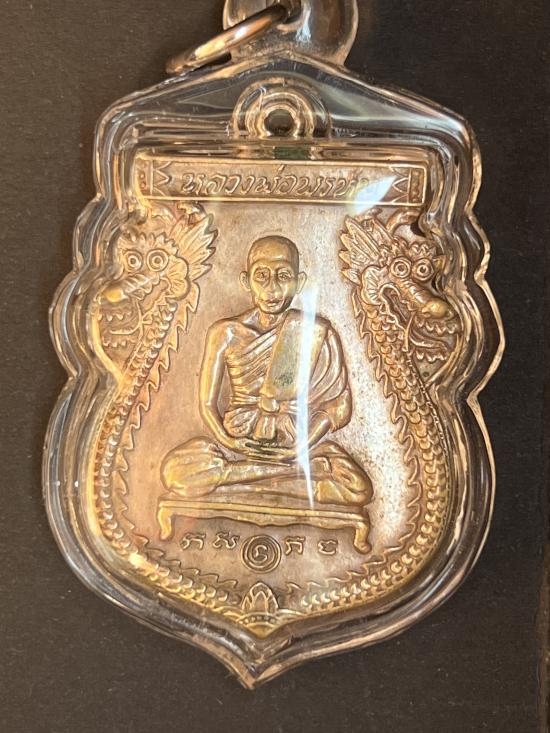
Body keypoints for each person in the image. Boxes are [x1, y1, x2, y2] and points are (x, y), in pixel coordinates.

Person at [161, 235, 372, 509]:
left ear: (299, 282)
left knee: (358, 488)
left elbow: (339, 406)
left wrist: (300, 447)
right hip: (238, 441)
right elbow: (207, 404)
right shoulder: (225, 333)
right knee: (174, 472)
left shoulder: (315, 332)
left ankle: (237, 478)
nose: (272, 288)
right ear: (246, 281)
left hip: (295, 442)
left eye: (283, 276)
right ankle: (287, 477)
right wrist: (229, 442)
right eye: (262, 276)